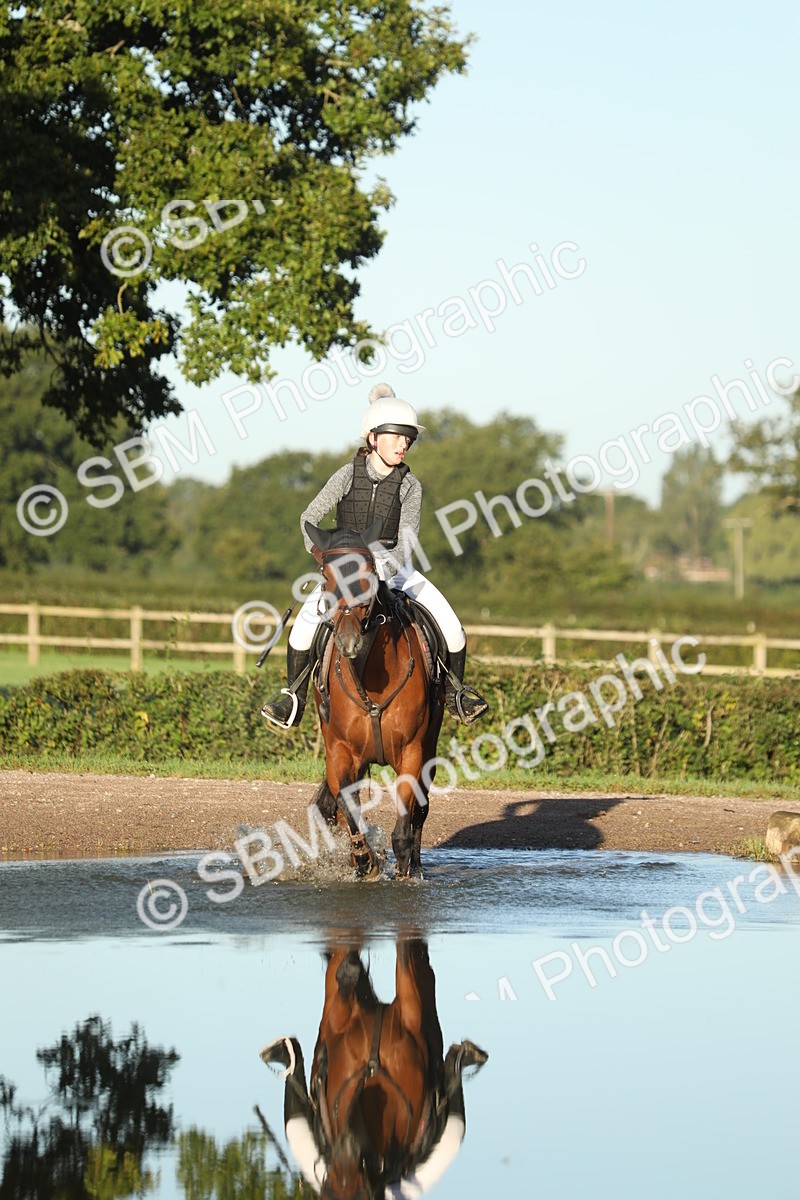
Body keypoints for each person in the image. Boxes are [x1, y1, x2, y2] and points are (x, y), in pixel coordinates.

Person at [261, 383, 488, 728]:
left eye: (408, 439)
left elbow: (408, 537)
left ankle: (457, 694)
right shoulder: (346, 474)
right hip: (345, 567)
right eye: (397, 437)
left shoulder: (411, 485)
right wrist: (324, 558)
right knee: (301, 631)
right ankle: (293, 699)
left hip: (395, 567)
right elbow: (308, 519)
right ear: (373, 438)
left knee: (453, 629)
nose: (404, 444)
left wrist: (386, 565)